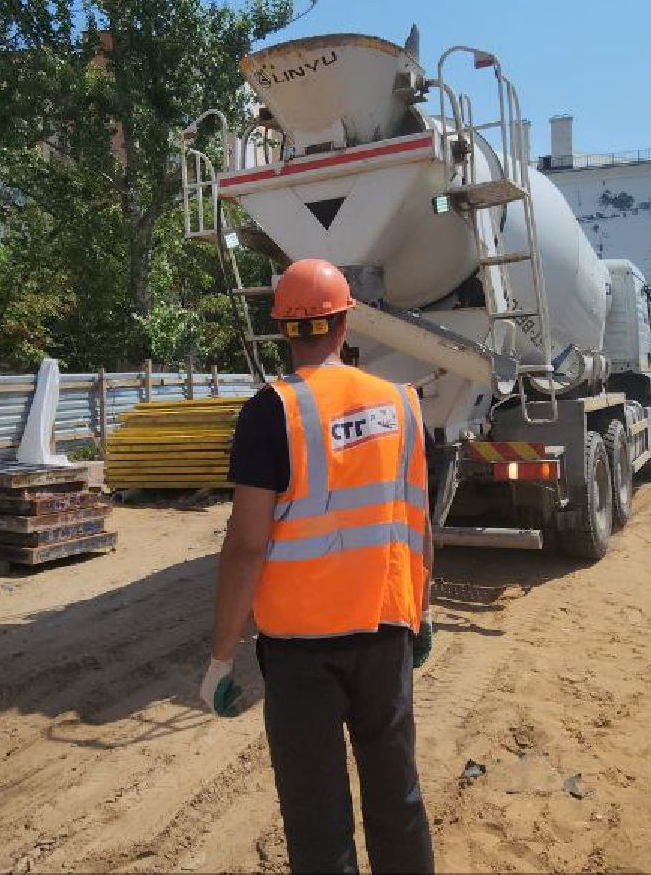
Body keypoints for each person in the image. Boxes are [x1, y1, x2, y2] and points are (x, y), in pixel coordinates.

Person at [200, 259, 438, 874]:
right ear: (346, 321)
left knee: (317, 814)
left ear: (283, 328)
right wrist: (423, 614)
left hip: (299, 650)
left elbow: (247, 544)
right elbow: (417, 523)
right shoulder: (402, 406)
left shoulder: (269, 413)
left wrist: (221, 658)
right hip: (385, 630)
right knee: (398, 795)